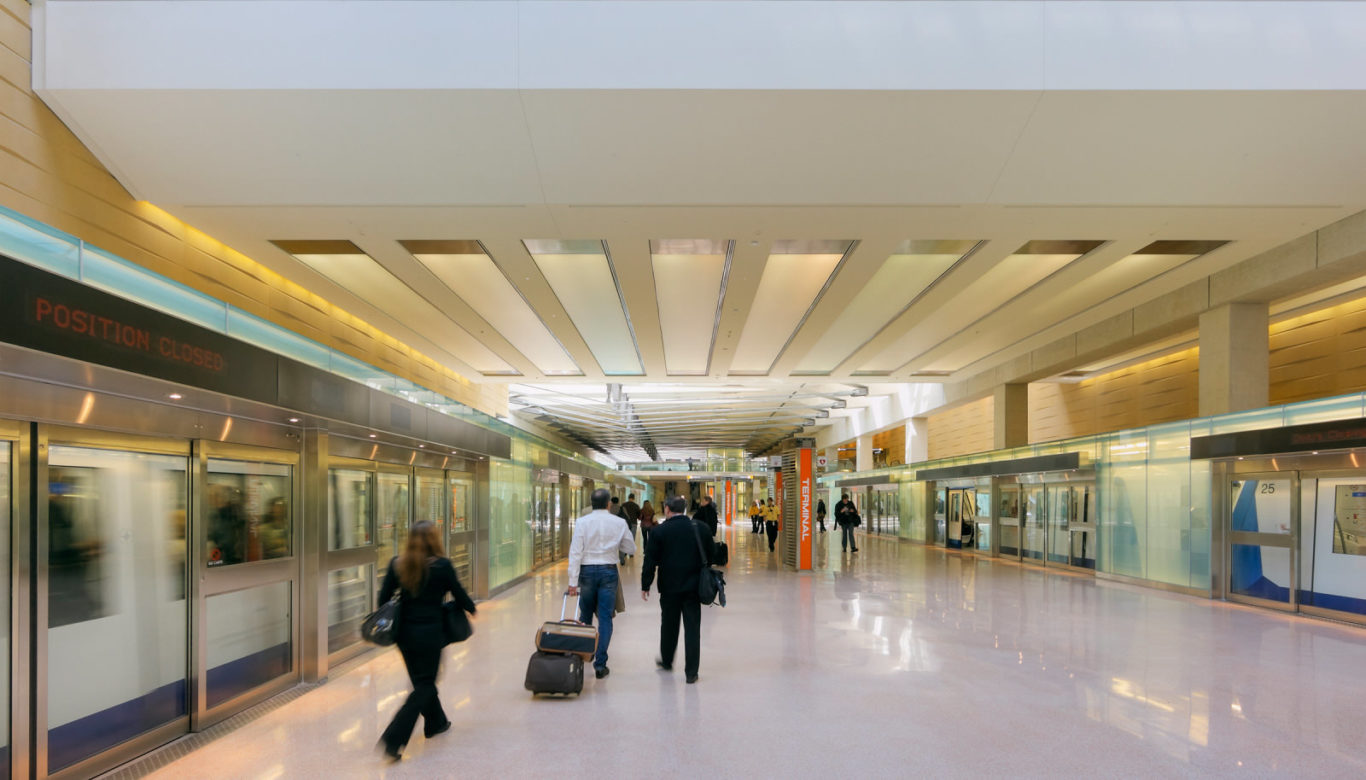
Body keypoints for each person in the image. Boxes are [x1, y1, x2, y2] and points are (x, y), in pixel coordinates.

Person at [378, 521, 476, 761]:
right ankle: (394, 738)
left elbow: (383, 599)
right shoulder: (442, 566)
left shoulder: (397, 564)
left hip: (404, 636)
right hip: (431, 633)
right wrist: (470, 608)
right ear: (434, 539)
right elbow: (460, 594)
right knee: (426, 684)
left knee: (421, 681)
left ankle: (436, 722)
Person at [641, 495, 715, 684]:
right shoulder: (700, 529)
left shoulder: (660, 532)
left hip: (669, 587)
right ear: (684, 509)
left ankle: (666, 661)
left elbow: (650, 560)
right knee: (692, 628)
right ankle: (691, 672)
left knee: (668, 625)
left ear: (667, 509)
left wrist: (645, 584)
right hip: (693, 587)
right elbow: (712, 555)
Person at [567, 488, 636, 679]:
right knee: (605, 618)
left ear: (591, 503)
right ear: (609, 504)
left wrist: (573, 581)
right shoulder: (619, 522)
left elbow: (575, 552)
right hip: (608, 571)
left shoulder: (582, 522)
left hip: (587, 571)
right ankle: (600, 664)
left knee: (585, 615)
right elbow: (631, 547)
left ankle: (582, 656)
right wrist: (615, 547)